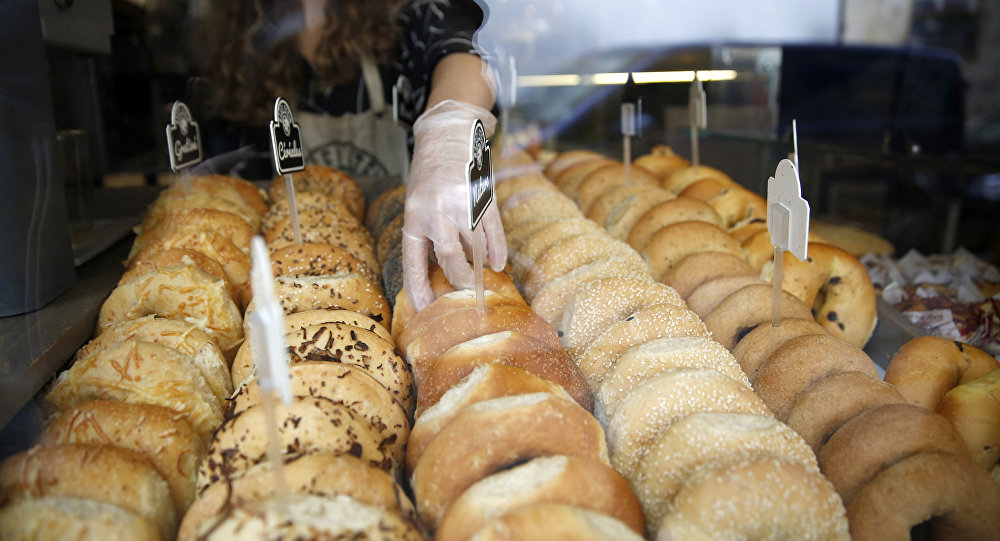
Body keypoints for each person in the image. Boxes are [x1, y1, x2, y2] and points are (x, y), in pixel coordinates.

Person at [204, 0, 507, 312]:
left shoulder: (406, 10)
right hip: (286, 260)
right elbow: (232, 169)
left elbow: (463, 54)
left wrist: (448, 131)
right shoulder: (244, 37)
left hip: (412, 225)